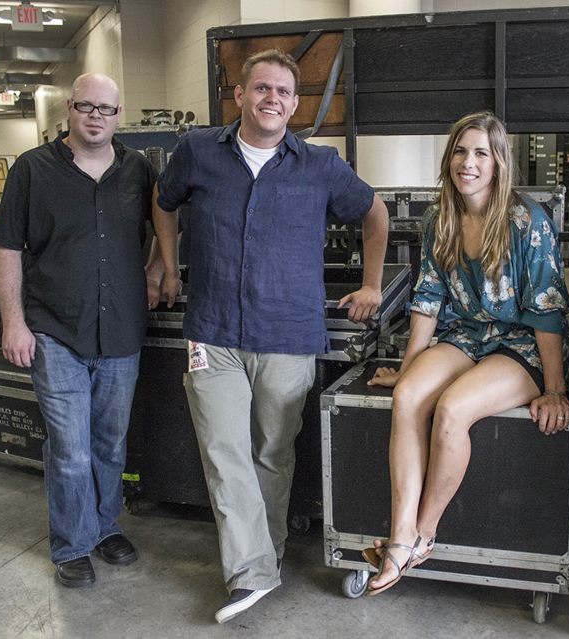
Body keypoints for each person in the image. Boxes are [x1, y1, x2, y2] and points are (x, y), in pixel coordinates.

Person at [151, 48, 389, 623]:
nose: (273, 100)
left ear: (294, 104)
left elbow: (374, 212)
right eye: (262, 89)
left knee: (272, 454)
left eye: (284, 92)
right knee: (223, 452)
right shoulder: (197, 153)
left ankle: (266, 557)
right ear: (239, 95)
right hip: (213, 332)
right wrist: (165, 262)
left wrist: (373, 285)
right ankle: (251, 573)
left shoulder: (319, 164)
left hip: (288, 332)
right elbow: (164, 205)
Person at [363, 111, 569, 596]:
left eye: (481, 153)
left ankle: (422, 535)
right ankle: (399, 536)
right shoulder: (440, 217)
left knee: (453, 409)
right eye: (460, 151)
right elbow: (428, 300)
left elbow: (547, 312)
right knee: (411, 395)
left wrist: (557, 388)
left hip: (520, 345)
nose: (468, 162)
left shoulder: (528, 222)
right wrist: (408, 370)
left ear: (498, 162)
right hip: (466, 335)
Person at [0, 73, 156, 588]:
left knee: (109, 443)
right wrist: (13, 322)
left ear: (117, 112)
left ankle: (105, 528)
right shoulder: (32, 170)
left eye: (106, 109)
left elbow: (161, 228)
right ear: (70, 109)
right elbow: (6, 249)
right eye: (86, 107)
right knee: (70, 448)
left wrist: (155, 272)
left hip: (121, 333)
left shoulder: (138, 170)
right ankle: (71, 544)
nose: (96, 117)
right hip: (55, 332)